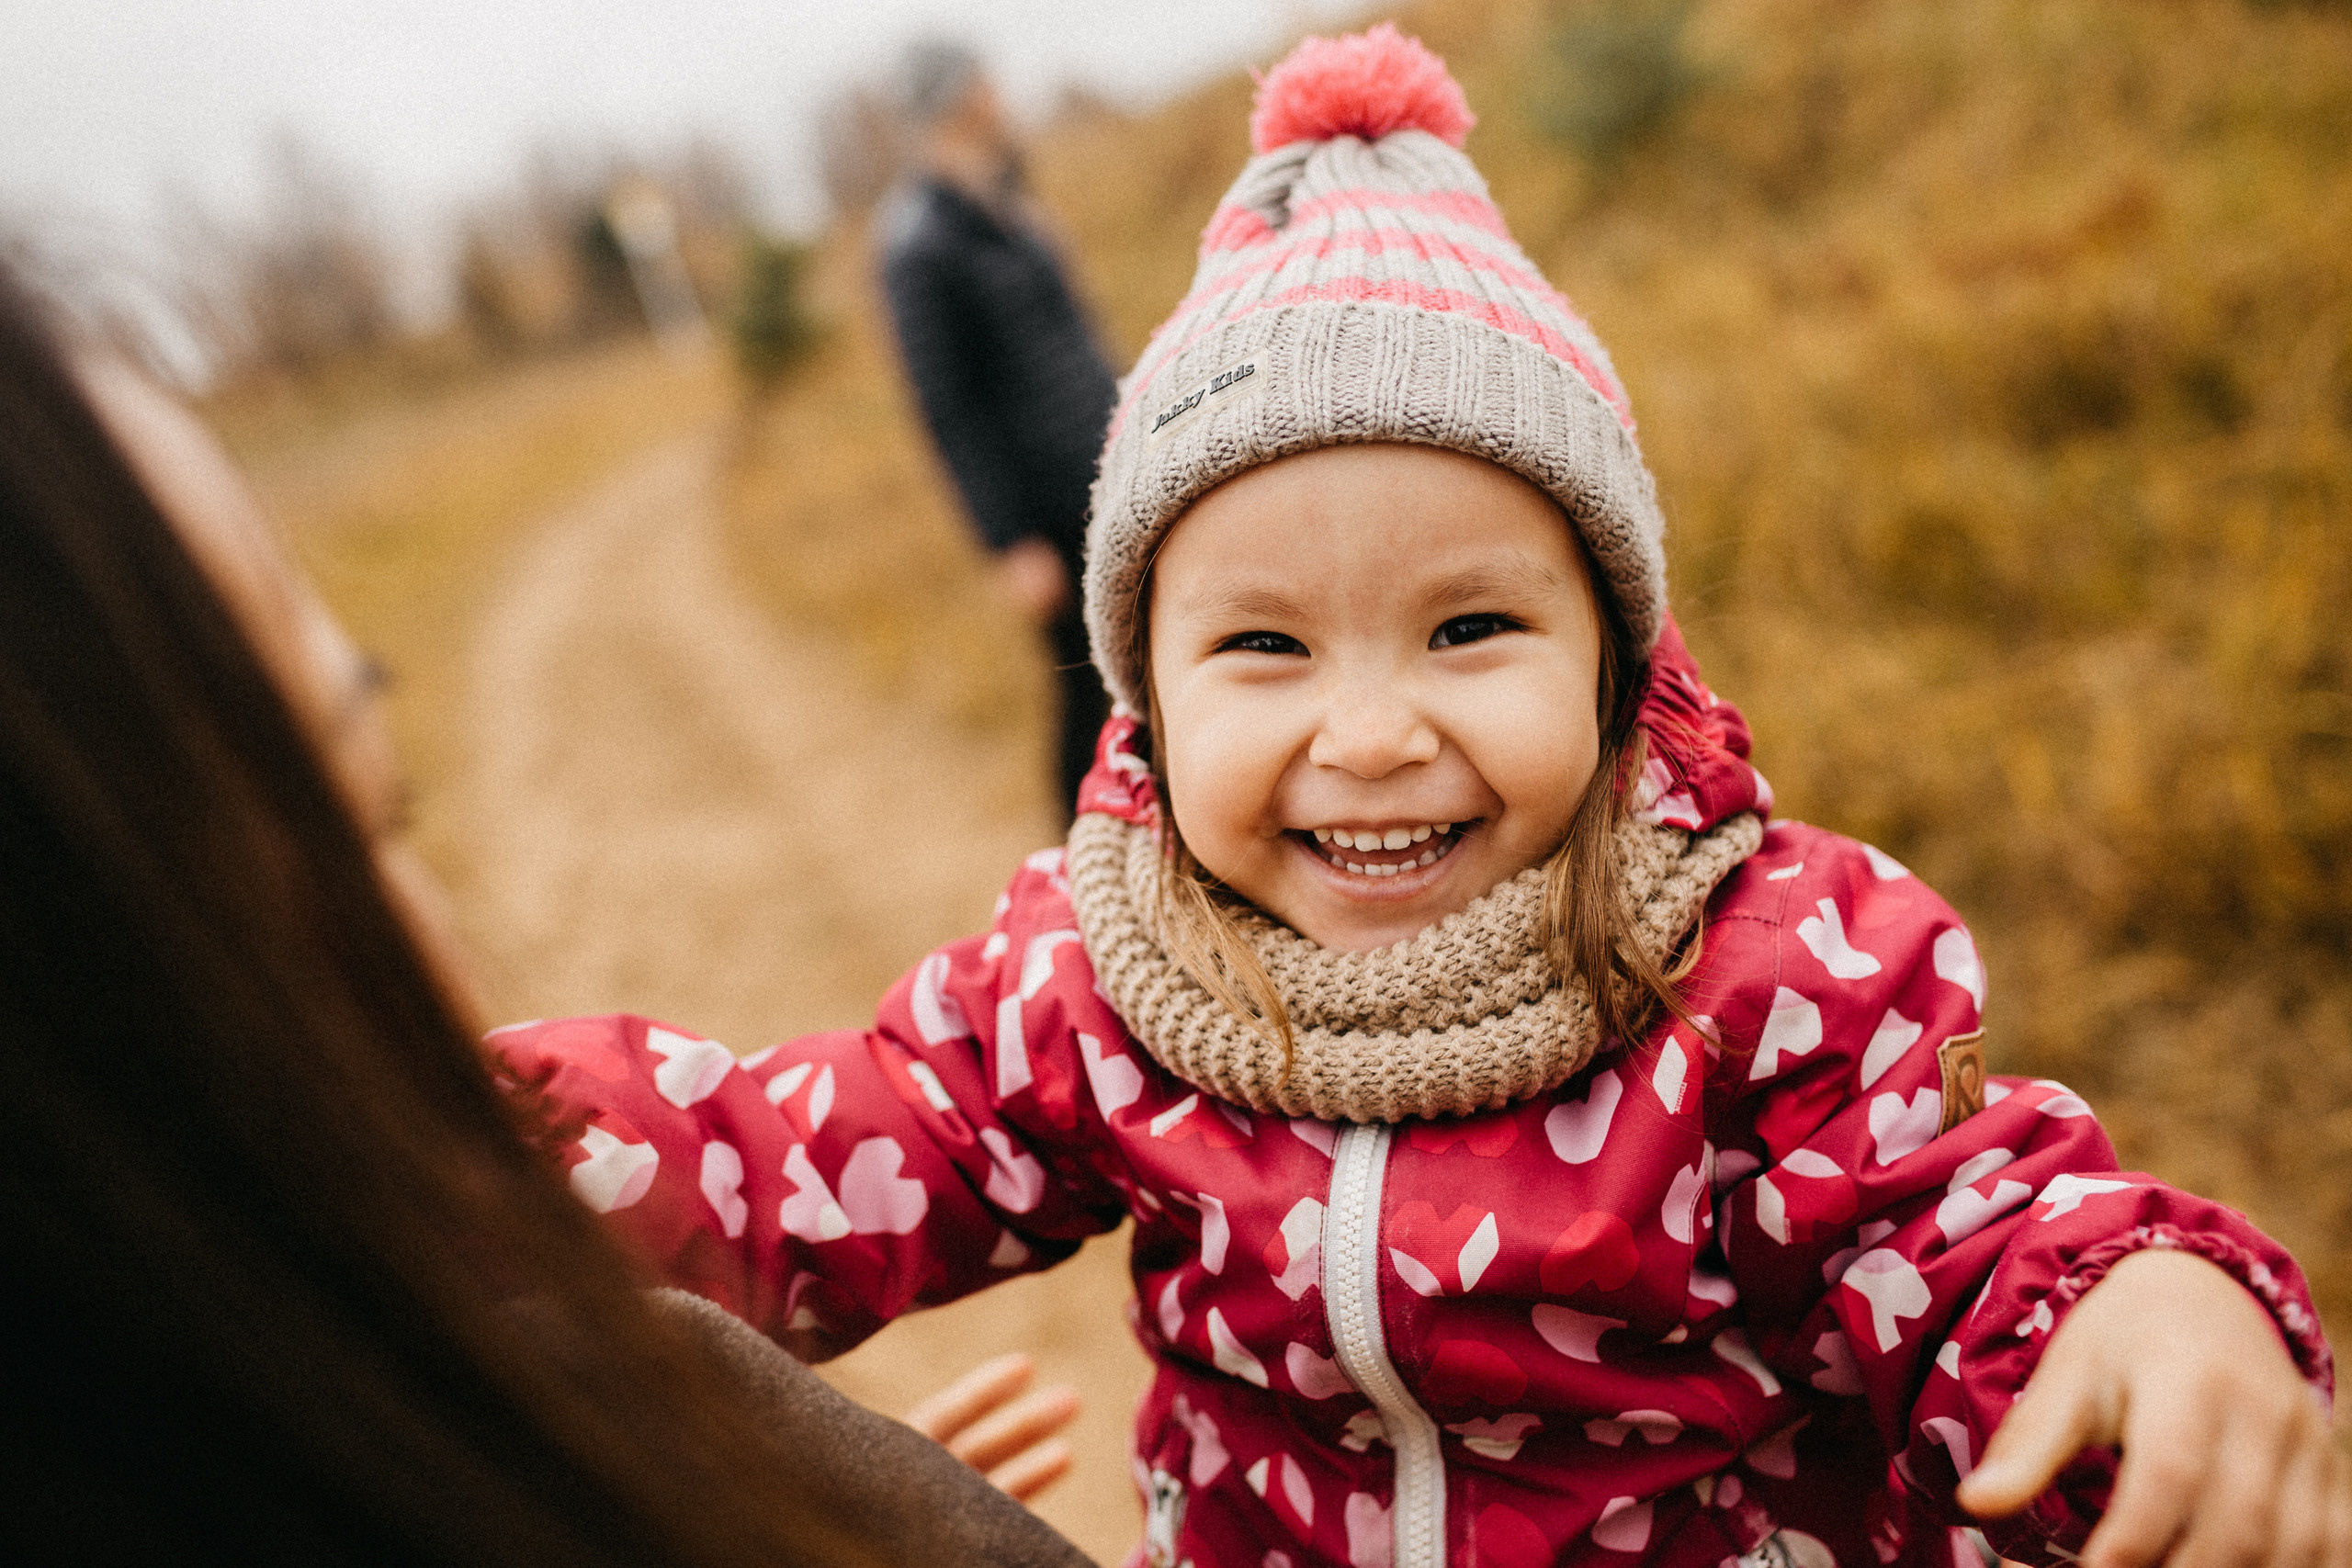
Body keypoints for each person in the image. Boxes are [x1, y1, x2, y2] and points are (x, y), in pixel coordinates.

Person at [490, 27, 2347, 1568]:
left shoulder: (1757, 970)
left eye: (1468, 626)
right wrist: (514, 1133)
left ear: (1615, 657)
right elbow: (812, 1156)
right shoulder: (1103, 979)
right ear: (1140, 686)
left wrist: (2124, 1302)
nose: (1368, 733)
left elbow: (1947, 1226)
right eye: (1264, 650)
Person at [0, 265, 1092, 1566]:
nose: (431, 935)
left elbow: (914, 1116)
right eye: (351, 840)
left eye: (389, 810)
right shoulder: (485, 1286)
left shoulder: (528, 1204)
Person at [876, 41, 1117, 821]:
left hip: (1101, 466)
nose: (997, 91)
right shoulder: (919, 243)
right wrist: (1009, 540)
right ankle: (1076, 857)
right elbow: (948, 408)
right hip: (1046, 506)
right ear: (954, 99)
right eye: (981, 82)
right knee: (1084, 687)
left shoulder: (1002, 199)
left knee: (1130, 676)